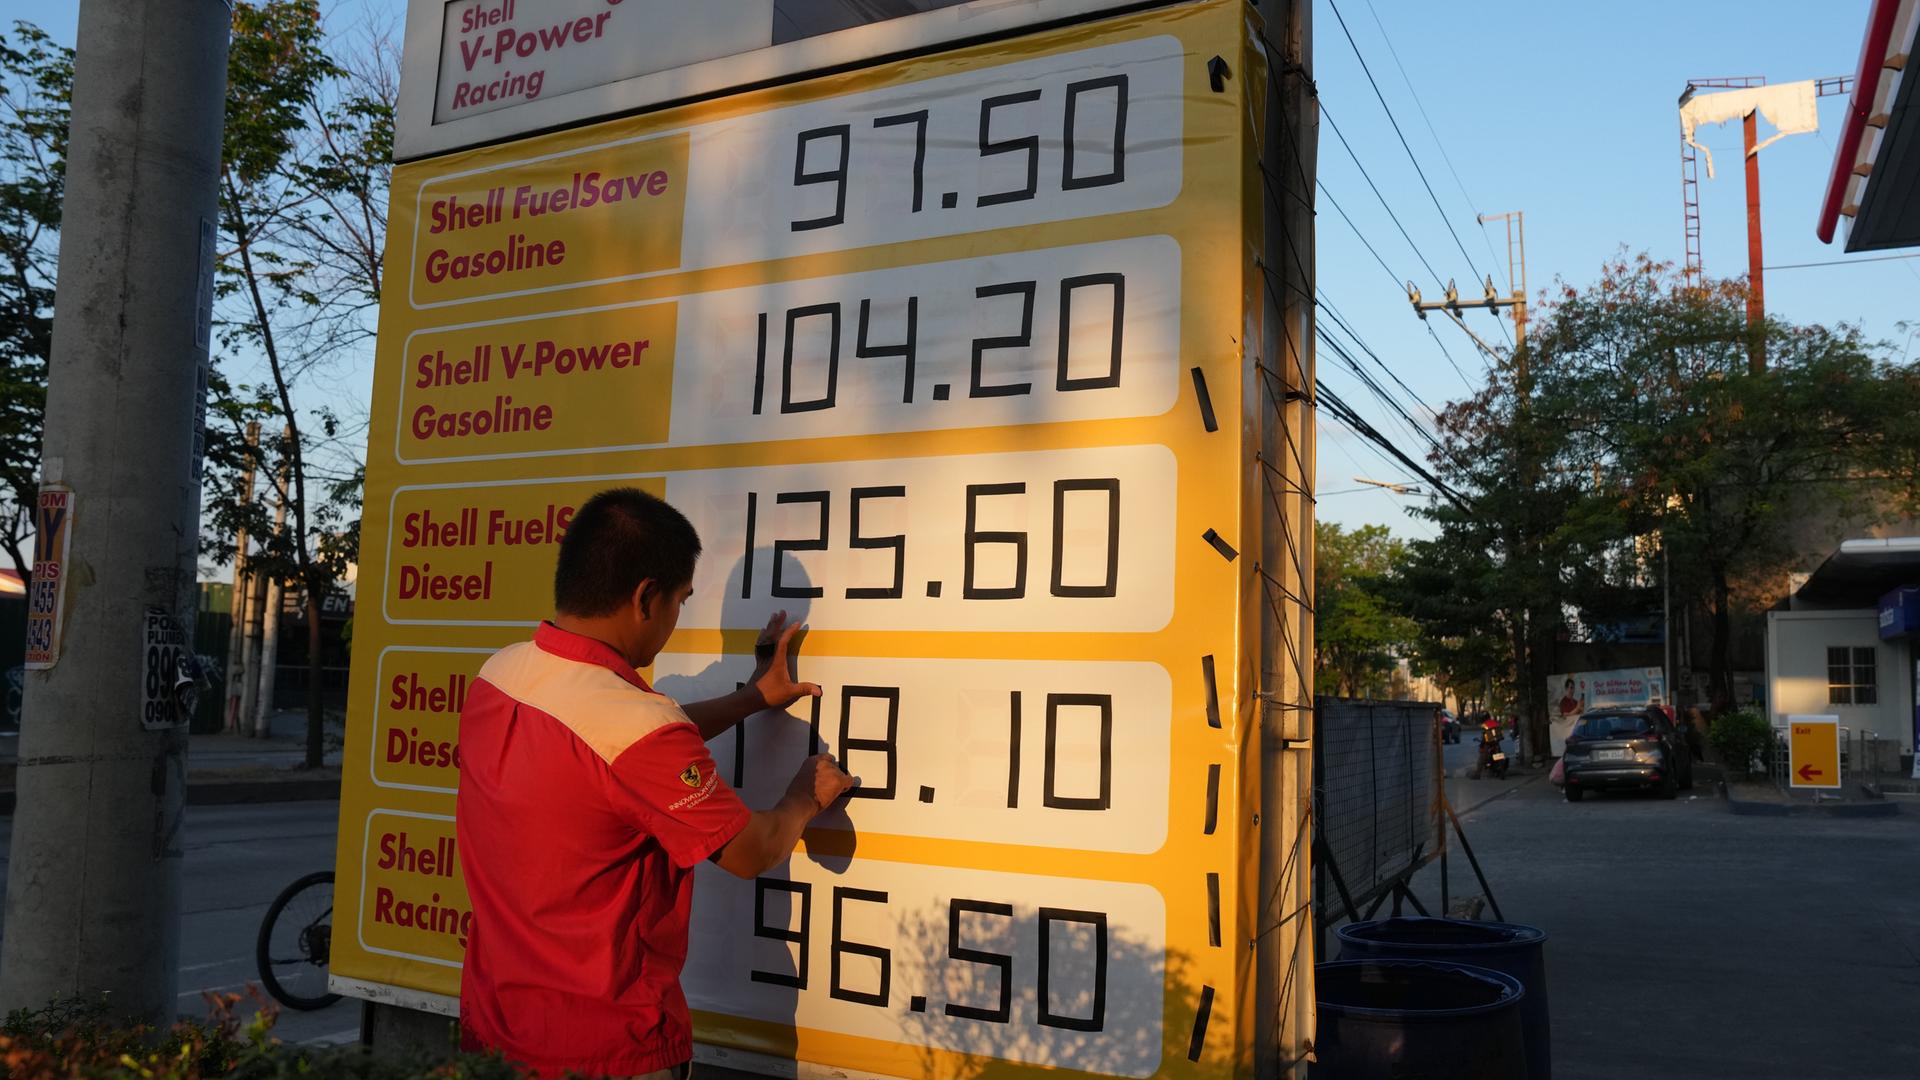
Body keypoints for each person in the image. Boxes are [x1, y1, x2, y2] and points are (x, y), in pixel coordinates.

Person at [455, 487, 855, 1079]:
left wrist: (751, 699)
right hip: (607, 1048)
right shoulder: (634, 728)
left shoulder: (501, 674)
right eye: (680, 602)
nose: (674, 620)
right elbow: (750, 849)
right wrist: (804, 792)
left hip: (493, 1029)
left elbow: (606, 760)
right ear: (646, 597)